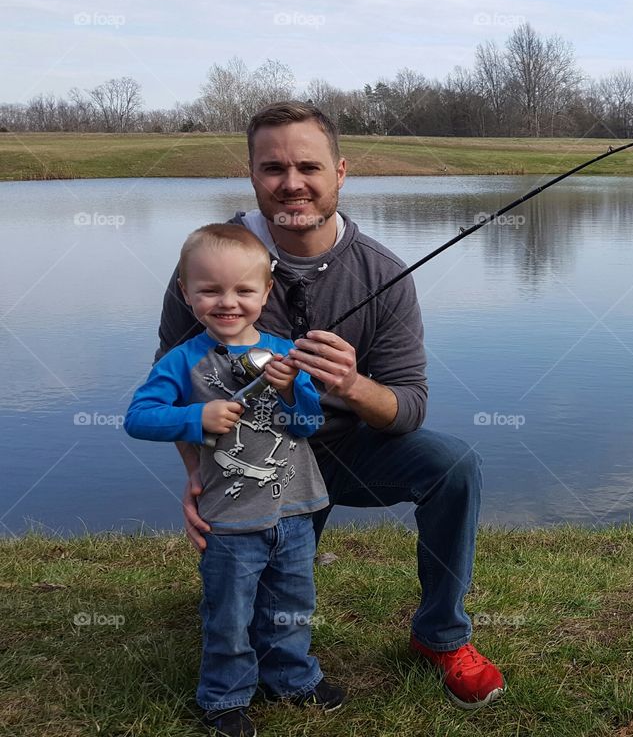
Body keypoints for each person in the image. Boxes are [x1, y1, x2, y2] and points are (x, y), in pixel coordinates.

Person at [155, 101, 506, 710]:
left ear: (339, 172)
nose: (292, 183)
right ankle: (251, 626)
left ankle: (442, 636)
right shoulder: (209, 266)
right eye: (273, 168)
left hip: (348, 447)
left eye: (309, 166)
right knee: (256, 620)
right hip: (256, 457)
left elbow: (410, 406)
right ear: (252, 173)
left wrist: (350, 384)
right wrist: (197, 475)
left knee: (454, 466)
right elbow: (173, 382)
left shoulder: (383, 273)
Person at [125, 224, 345, 737]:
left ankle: (291, 677)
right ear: (186, 292)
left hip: (296, 507)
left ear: (265, 292)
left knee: (292, 603)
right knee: (228, 610)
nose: (228, 303)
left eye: (244, 290)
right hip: (227, 520)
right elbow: (138, 417)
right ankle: (225, 696)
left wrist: (295, 392)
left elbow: (308, 425)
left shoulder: (287, 353)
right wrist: (194, 419)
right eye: (210, 290)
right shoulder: (182, 362)